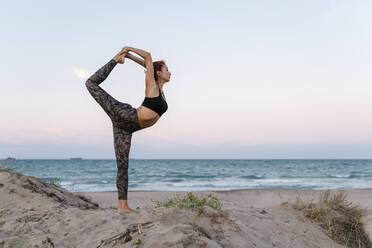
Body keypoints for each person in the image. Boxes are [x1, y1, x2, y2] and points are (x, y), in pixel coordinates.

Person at [85, 46, 171, 213]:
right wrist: (127, 50)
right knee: (90, 84)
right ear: (159, 73)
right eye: (167, 70)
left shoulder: (161, 90)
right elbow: (148, 57)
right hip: (125, 114)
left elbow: (148, 66)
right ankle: (114, 61)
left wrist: (131, 58)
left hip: (126, 128)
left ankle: (122, 207)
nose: (170, 73)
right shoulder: (151, 86)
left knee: (123, 166)